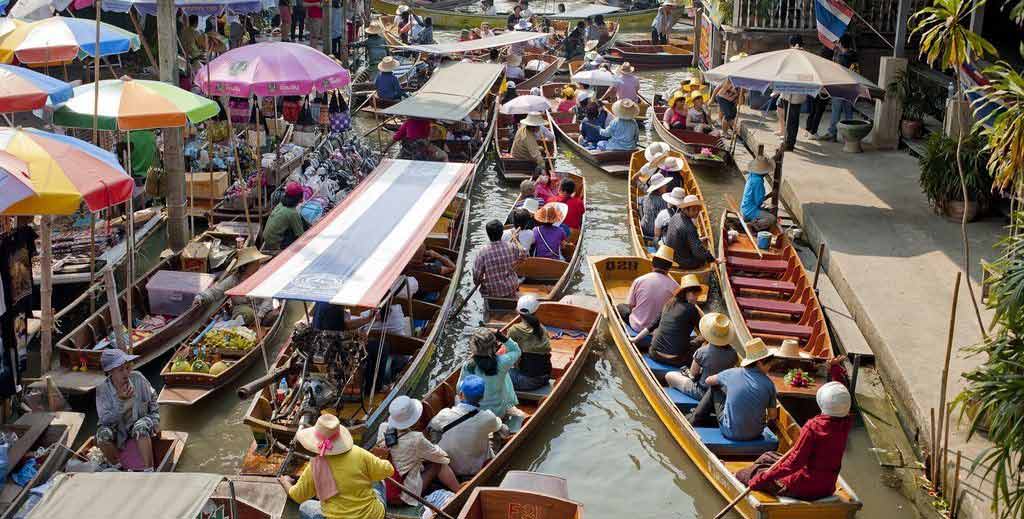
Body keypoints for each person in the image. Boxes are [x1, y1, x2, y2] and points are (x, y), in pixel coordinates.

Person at [734, 379, 852, 500]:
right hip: (827, 487)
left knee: (750, 473)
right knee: (768, 456)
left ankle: (743, 475)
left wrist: (762, 478)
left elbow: (794, 463)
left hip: (800, 488)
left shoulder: (813, 427)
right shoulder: (846, 423)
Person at [279, 414, 393, 519]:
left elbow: (297, 496)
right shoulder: (359, 453)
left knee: (305, 506)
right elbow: (388, 470)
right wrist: (379, 459)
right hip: (373, 515)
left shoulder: (315, 464)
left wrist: (285, 481)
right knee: (379, 482)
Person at [688, 338, 779, 441]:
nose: (770, 367)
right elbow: (772, 415)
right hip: (756, 433)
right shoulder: (769, 384)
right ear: (759, 363)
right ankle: (698, 417)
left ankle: (694, 418)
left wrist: (726, 386)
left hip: (730, 432)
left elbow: (708, 381)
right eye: (769, 364)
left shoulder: (732, 373)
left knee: (715, 388)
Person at [377, 396, 460, 506]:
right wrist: (433, 446)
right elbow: (440, 456)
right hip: (404, 495)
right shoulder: (416, 438)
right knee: (439, 464)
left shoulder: (383, 427)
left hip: (386, 489)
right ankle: (460, 492)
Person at [427, 375, 504, 478]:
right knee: (502, 429)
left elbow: (431, 427)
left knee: (435, 431)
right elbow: (498, 426)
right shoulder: (488, 417)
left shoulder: (444, 414)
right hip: (478, 467)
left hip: (451, 468)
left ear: (461, 395)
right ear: (482, 397)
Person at [95, 349, 160, 470]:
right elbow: (105, 420)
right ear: (110, 372)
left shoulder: (138, 378)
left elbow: (153, 398)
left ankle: (149, 470)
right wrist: (120, 401)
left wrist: (156, 420)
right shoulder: (103, 390)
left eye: (127, 368)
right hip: (119, 428)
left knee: (140, 427)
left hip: (141, 420)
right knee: (102, 436)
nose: (126, 373)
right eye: (120, 370)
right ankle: (119, 467)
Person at [630, 274, 706, 367]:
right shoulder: (691, 309)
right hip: (677, 359)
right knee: (700, 339)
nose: (696, 299)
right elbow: (704, 330)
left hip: (654, 354)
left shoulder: (669, 303)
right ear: (688, 293)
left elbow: (653, 325)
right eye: (695, 295)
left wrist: (635, 339)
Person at [665, 313, 738, 399]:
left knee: (669, 375)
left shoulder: (702, 351)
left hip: (702, 392)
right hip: (720, 394)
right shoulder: (734, 354)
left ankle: (675, 397)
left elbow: (693, 374)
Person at [193, 247, 273, 324]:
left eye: (257, 262)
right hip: (242, 310)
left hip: (261, 309)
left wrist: (260, 315)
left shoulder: (262, 276)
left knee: (273, 316)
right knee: (246, 314)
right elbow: (215, 292)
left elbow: (268, 298)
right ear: (246, 267)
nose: (258, 265)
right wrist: (201, 297)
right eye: (255, 263)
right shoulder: (234, 279)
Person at [460, 327, 522, 417]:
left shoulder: (468, 365)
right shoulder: (503, 362)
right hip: (499, 411)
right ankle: (510, 405)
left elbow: (459, 388)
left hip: (477, 412)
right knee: (505, 375)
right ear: (494, 345)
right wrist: (500, 335)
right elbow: (516, 350)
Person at [617, 244, 677, 333]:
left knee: (620, 307)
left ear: (652, 264)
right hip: (660, 330)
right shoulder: (675, 286)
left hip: (638, 327)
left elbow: (630, 306)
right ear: (669, 268)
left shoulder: (639, 280)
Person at [661, 190, 715, 269]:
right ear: (685, 209)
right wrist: (713, 259)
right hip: (682, 261)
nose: (697, 212)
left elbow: (682, 237)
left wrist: (698, 240)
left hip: (670, 255)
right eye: (693, 210)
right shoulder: (689, 227)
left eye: (698, 209)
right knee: (702, 258)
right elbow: (698, 252)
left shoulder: (675, 217)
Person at [474, 219, 526, 299]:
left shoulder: (482, 252)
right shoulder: (511, 246)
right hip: (510, 286)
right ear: (502, 233)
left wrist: (479, 282)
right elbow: (523, 254)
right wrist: (516, 240)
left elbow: (477, 276)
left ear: (488, 234)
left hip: (492, 291)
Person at [818, 34, 857, 141]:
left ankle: (832, 133)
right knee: (848, 112)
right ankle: (850, 135)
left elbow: (836, 73)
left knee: (836, 111)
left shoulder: (842, 57)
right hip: (851, 87)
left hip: (840, 87)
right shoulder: (854, 55)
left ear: (841, 43)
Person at [508, 295, 551, 391]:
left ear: (517, 311)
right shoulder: (542, 329)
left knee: (494, 372)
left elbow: (511, 358)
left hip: (528, 381)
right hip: (545, 376)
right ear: (537, 311)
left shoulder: (514, 330)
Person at [777, 34, 806, 150]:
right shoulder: (806, 55)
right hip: (795, 93)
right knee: (791, 119)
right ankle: (788, 140)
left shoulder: (790, 54)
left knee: (791, 120)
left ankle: (789, 143)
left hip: (791, 92)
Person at [262, 182, 307, 253]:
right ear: (299, 198)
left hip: (268, 239)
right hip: (276, 244)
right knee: (299, 230)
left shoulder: (280, 205)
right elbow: (301, 235)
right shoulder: (292, 213)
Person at [740, 153, 777, 232]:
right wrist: (769, 195)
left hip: (745, 208)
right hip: (750, 211)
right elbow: (758, 201)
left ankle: (755, 222)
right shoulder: (758, 181)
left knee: (768, 210)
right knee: (772, 218)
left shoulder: (752, 175)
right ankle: (754, 225)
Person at [639, 173, 672, 239]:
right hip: (656, 232)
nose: (666, 186)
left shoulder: (647, 197)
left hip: (645, 228)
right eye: (664, 185)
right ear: (659, 188)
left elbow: (639, 200)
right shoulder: (663, 201)